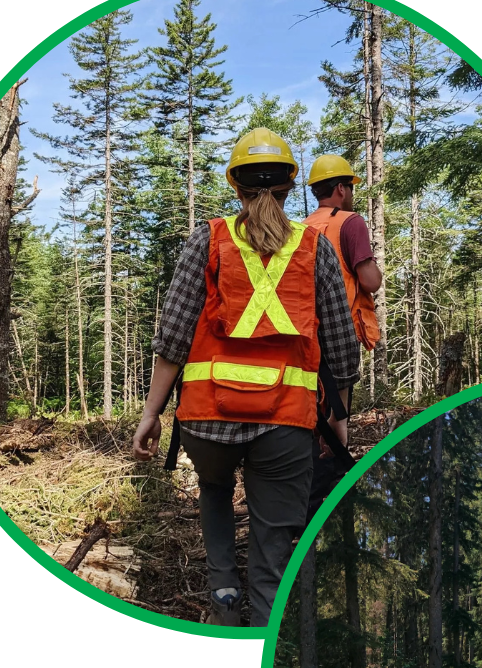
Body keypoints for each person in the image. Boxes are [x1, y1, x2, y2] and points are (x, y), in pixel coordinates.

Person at [131, 128, 360, 628]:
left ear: (236, 185)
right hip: (286, 425)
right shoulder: (314, 248)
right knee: (274, 534)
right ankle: (265, 625)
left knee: (213, 488)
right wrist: (339, 421)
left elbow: (172, 336)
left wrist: (151, 414)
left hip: (207, 419)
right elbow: (342, 348)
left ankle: (223, 593)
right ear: (289, 188)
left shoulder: (207, 239)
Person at [303, 155, 382, 357]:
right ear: (340, 188)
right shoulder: (351, 221)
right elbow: (371, 282)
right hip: (340, 331)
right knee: (340, 389)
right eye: (350, 188)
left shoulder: (301, 227)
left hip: (307, 330)